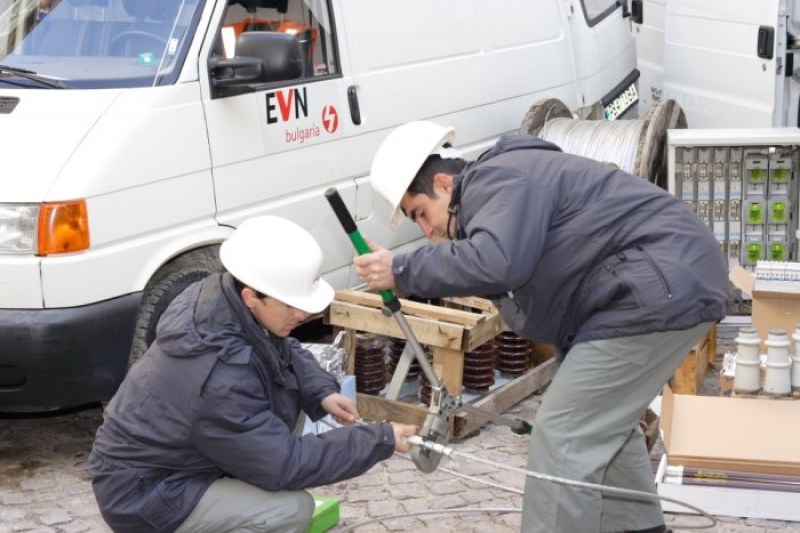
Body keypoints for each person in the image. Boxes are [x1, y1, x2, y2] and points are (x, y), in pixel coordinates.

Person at [353, 121, 729, 533]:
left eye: (421, 214)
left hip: (657, 287)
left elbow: (498, 260)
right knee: (603, 426)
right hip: (659, 284)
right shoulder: (510, 180)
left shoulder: (494, 179)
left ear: (444, 184)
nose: (427, 232)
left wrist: (402, 268)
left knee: (564, 435)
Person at [88, 215, 418, 533]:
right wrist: (381, 438)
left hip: (173, 461)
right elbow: (285, 465)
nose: (301, 314)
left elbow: (281, 348)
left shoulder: (221, 297)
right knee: (291, 510)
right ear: (251, 297)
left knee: (288, 402)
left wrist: (321, 391)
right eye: (289, 305)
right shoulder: (219, 378)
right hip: (148, 494)